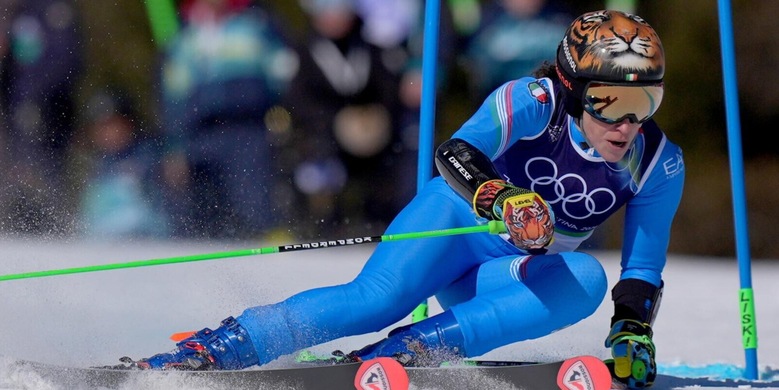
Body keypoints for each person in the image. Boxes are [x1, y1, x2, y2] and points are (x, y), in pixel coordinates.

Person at [130, 10, 684, 389]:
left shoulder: (658, 164)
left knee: (584, 280)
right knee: (376, 299)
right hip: (452, 222)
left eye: (646, 99)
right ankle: (218, 348)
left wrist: (632, 328)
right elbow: (457, 151)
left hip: (507, 270)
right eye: (610, 99)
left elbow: (642, 265)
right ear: (571, 87)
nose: (628, 121)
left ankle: (411, 351)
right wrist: (501, 196)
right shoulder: (533, 101)